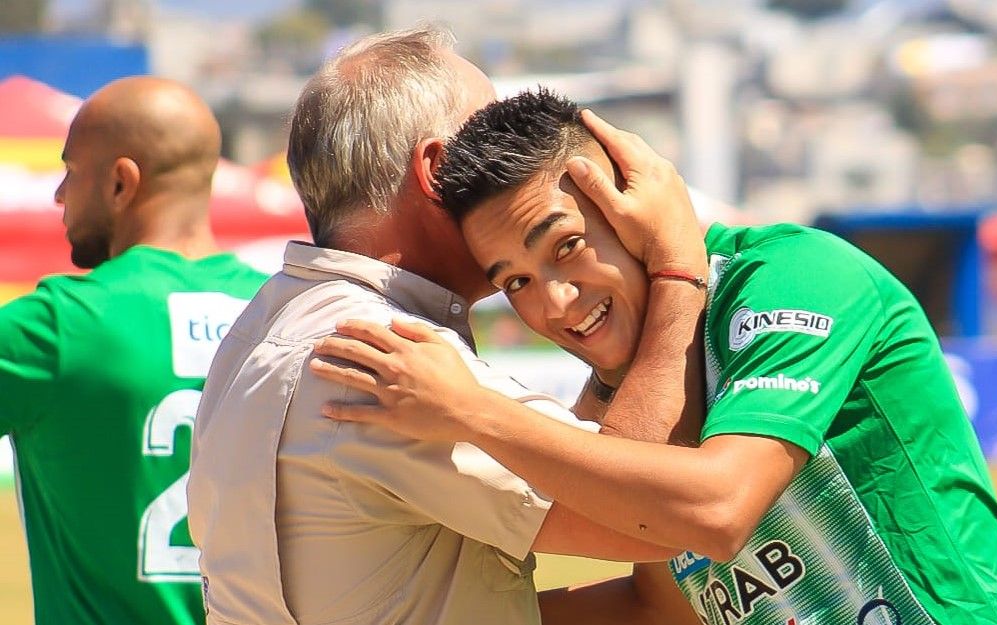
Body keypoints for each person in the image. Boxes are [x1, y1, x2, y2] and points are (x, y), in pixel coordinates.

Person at [310, 89, 997, 624]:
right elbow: (655, 602)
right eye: (515, 283)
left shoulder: (794, 274)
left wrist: (473, 411)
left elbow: (718, 508)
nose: (555, 303)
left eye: (566, 246)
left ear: (633, 204)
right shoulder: (631, 381)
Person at [186, 28, 701, 625]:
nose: (516, 154)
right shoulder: (387, 359)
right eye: (489, 137)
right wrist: (676, 266)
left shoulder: (262, 326)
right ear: (436, 169)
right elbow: (652, 513)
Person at [0, 76, 268, 624]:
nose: (58, 194)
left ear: (122, 183)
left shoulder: (58, 326)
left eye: (70, 171)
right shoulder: (282, 313)